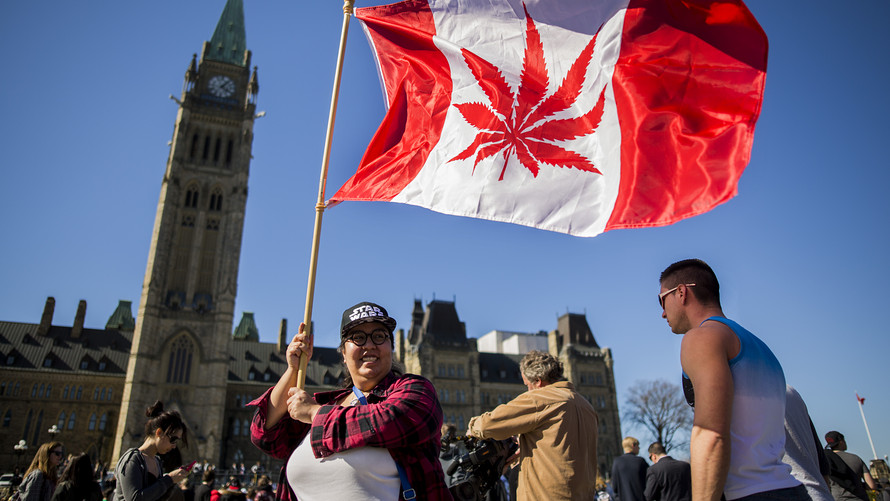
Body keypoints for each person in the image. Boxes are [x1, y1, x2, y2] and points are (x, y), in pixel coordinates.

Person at [248, 301, 451, 500]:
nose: (370, 345)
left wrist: (313, 413)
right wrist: (293, 369)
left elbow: (390, 420)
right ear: (343, 353)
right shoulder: (328, 404)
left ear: (391, 347)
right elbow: (266, 436)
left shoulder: (415, 389)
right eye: (358, 337)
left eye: (379, 336)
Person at [658, 259, 805, 501]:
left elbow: (711, 433)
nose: (663, 312)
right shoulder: (757, 344)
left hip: (749, 493)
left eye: (662, 300)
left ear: (681, 293)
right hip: (789, 487)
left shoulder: (701, 338)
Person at [466, 349, 599, 500]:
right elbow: (564, 447)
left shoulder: (542, 398)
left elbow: (487, 425)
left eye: (527, 384)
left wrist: (472, 427)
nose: (527, 390)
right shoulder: (586, 406)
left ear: (538, 381)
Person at [113, 401, 191, 501]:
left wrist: (173, 482)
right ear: (159, 432)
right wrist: (169, 479)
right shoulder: (132, 459)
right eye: (173, 440)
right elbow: (134, 499)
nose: (174, 446)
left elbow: (155, 497)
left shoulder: (157, 461)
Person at [782, 386, 832, 501]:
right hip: (817, 492)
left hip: (784, 491)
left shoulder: (743, 389)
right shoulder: (791, 391)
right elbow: (821, 463)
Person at [824, 431, 877, 501]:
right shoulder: (856, 458)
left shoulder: (826, 460)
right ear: (841, 442)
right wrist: (857, 485)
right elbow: (871, 486)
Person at [611, 437, 648, 501]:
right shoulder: (640, 461)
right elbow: (649, 481)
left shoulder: (617, 462)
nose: (639, 448)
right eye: (637, 445)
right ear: (633, 445)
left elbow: (615, 486)